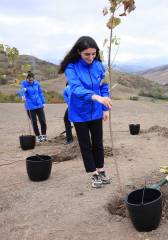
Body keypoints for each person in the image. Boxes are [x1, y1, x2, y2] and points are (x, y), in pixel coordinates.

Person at [58, 36, 112, 188]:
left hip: (96, 110)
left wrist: (105, 106)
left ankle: (101, 171)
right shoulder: (71, 67)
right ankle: (93, 174)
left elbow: (104, 87)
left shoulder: (99, 66)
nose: (91, 57)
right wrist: (96, 97)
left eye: (93, 54)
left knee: (98, 143)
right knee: (85, 144)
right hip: (79, 113)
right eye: (87, 54)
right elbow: (75, 88)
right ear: (79, 52)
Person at [19, 71, 48, 142]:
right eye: (29, 80)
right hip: (30, 106)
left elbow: (40, 92)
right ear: (27, 79)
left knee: (43, 121)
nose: (31, 81)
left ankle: (43, 135)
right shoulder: (24, 84)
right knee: (34, 122)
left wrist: (43, 102)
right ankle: (38, 136)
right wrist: (22, 95)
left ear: (34, 78)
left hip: (39, 105)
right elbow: (21, 91)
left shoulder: (37, 83)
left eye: (32, 80)